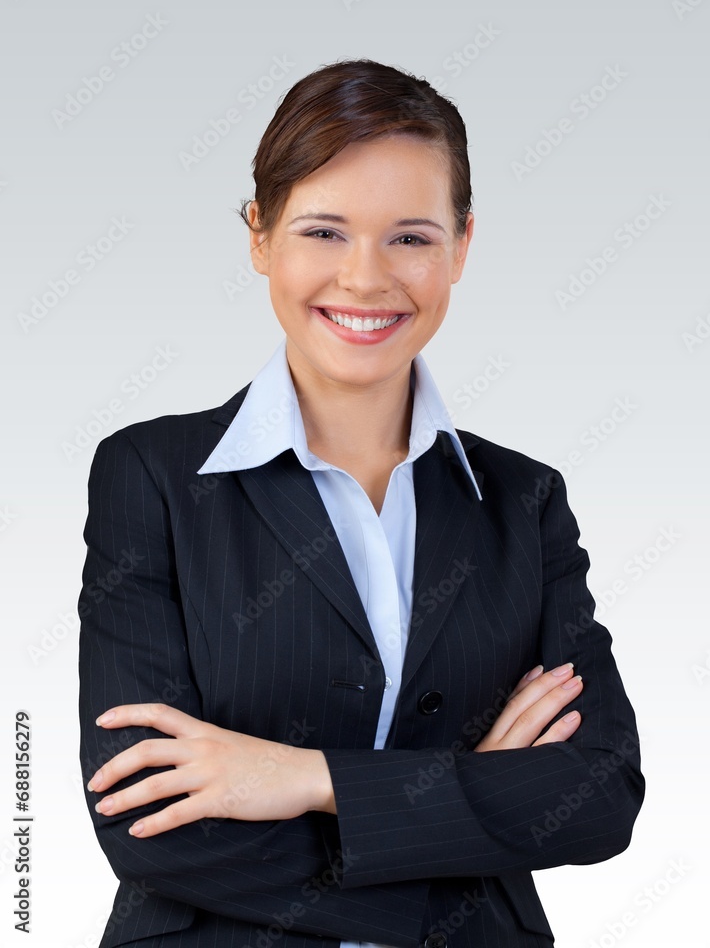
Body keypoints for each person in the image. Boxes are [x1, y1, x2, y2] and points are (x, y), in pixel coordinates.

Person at [77, 58, 644, 948]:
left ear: (462, 245)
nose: (366, 279)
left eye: (411, 237)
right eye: (324, 231)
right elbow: (148, 824)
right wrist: (469, 806)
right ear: (260, 236)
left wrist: (305, 777)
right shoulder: (150, 475)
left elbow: (600, 793)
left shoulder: (523, 502)